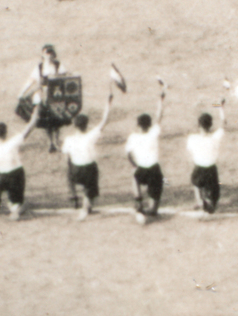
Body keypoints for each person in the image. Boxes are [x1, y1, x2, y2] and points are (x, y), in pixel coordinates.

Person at [60, 90, 114, 219]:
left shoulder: (68, 140)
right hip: (89, 170)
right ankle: (86, 205)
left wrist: (71, 171)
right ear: (86, 125)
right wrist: (108, 103)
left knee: (69, 171)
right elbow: (104, 121)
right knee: (90, 185)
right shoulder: (91, 136)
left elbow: (66, 159)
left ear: (75, 126)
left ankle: (73, 194)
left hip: (75, 171)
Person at [125, 82, 168, 224]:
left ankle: (138, 202)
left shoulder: (133, 137)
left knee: (135, 177)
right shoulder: (154, 133)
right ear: (149, 124)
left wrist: (134, 166)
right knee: (154, 210)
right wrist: (161, 99)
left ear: (138, 125)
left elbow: (129, 155)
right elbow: (159, 116)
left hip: (142, 170)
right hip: (154, 170)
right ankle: (152, 208)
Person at [0, 118, 35, 220]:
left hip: (1, 180)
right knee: (17, 204)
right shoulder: (12, 143)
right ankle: (15, 206)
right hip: (15, 177)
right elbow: (28, 130)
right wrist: (35, 115)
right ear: (6, 132)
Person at [185, 100, 226, 216]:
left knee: (195, 181)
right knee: (214, 197)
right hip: (211, 171)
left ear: (199, 125)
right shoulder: (215, 137)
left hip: (198, 171)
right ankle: (209, 200)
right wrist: (221, 107)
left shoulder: (192, 139)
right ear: (211, 125)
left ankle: (199, 200)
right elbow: (223, 124)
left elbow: (190, 153)